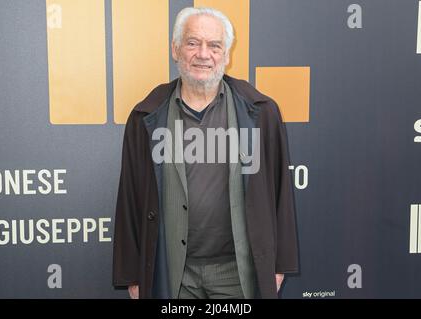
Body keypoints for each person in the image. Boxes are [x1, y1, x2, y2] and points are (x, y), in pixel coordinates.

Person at [112, 7, 298, 299]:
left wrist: (279, 264)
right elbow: (130, 197)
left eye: (214, 45)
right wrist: (132, 275)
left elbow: (280, 192)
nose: (203, 54)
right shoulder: (146, 115)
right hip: (172, 271)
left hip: (237, 272)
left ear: (226, 54)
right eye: (192, 42)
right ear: (175, 49)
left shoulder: (261, 112)